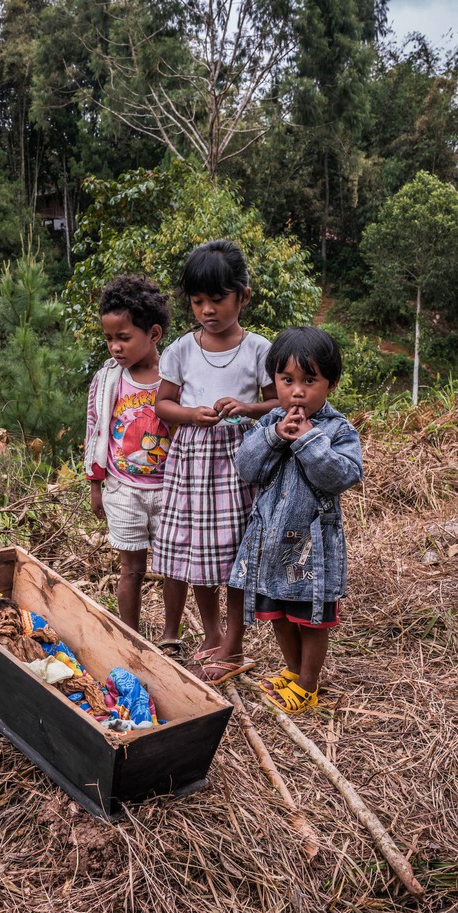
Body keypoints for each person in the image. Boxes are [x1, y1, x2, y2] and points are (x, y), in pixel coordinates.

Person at [152, 240, 278, 683]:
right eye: (198, 300)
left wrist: (246, 410)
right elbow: (162, 405)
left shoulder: (259, 350)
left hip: (242, 465)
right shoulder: (182, 350)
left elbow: (277, 403)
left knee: (237, 555)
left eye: (218, 299)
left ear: (243, 296)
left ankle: (233, 642)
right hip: (194, 466)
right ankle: (210, 635)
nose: (207, 310)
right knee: (200, 555)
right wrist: (190, 415)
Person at [230, 325, 363, 714]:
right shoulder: (270, 422)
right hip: (271, 544)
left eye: (310, 380)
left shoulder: (338, 430)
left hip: (311, 551)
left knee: (310, 617)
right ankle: (292, 672)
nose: (298, 391)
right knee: (278, 612)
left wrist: (307, 440)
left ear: (331, 383)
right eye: (287, 380)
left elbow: (342, 476)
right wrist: (274, 436)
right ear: (274, 380)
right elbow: (246, 468)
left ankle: (308, 685)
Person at [84, 274, 188, 658]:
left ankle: (170, 636)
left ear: (154, 333)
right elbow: (95, 431)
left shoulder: (176, 378)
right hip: (123, 489)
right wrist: (96, 484)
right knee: (131, 568)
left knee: (173, 567)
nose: (115, 347)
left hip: (169, 489)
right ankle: (129, 637)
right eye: (109, 338)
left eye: (123, 338)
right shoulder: (108, 379)